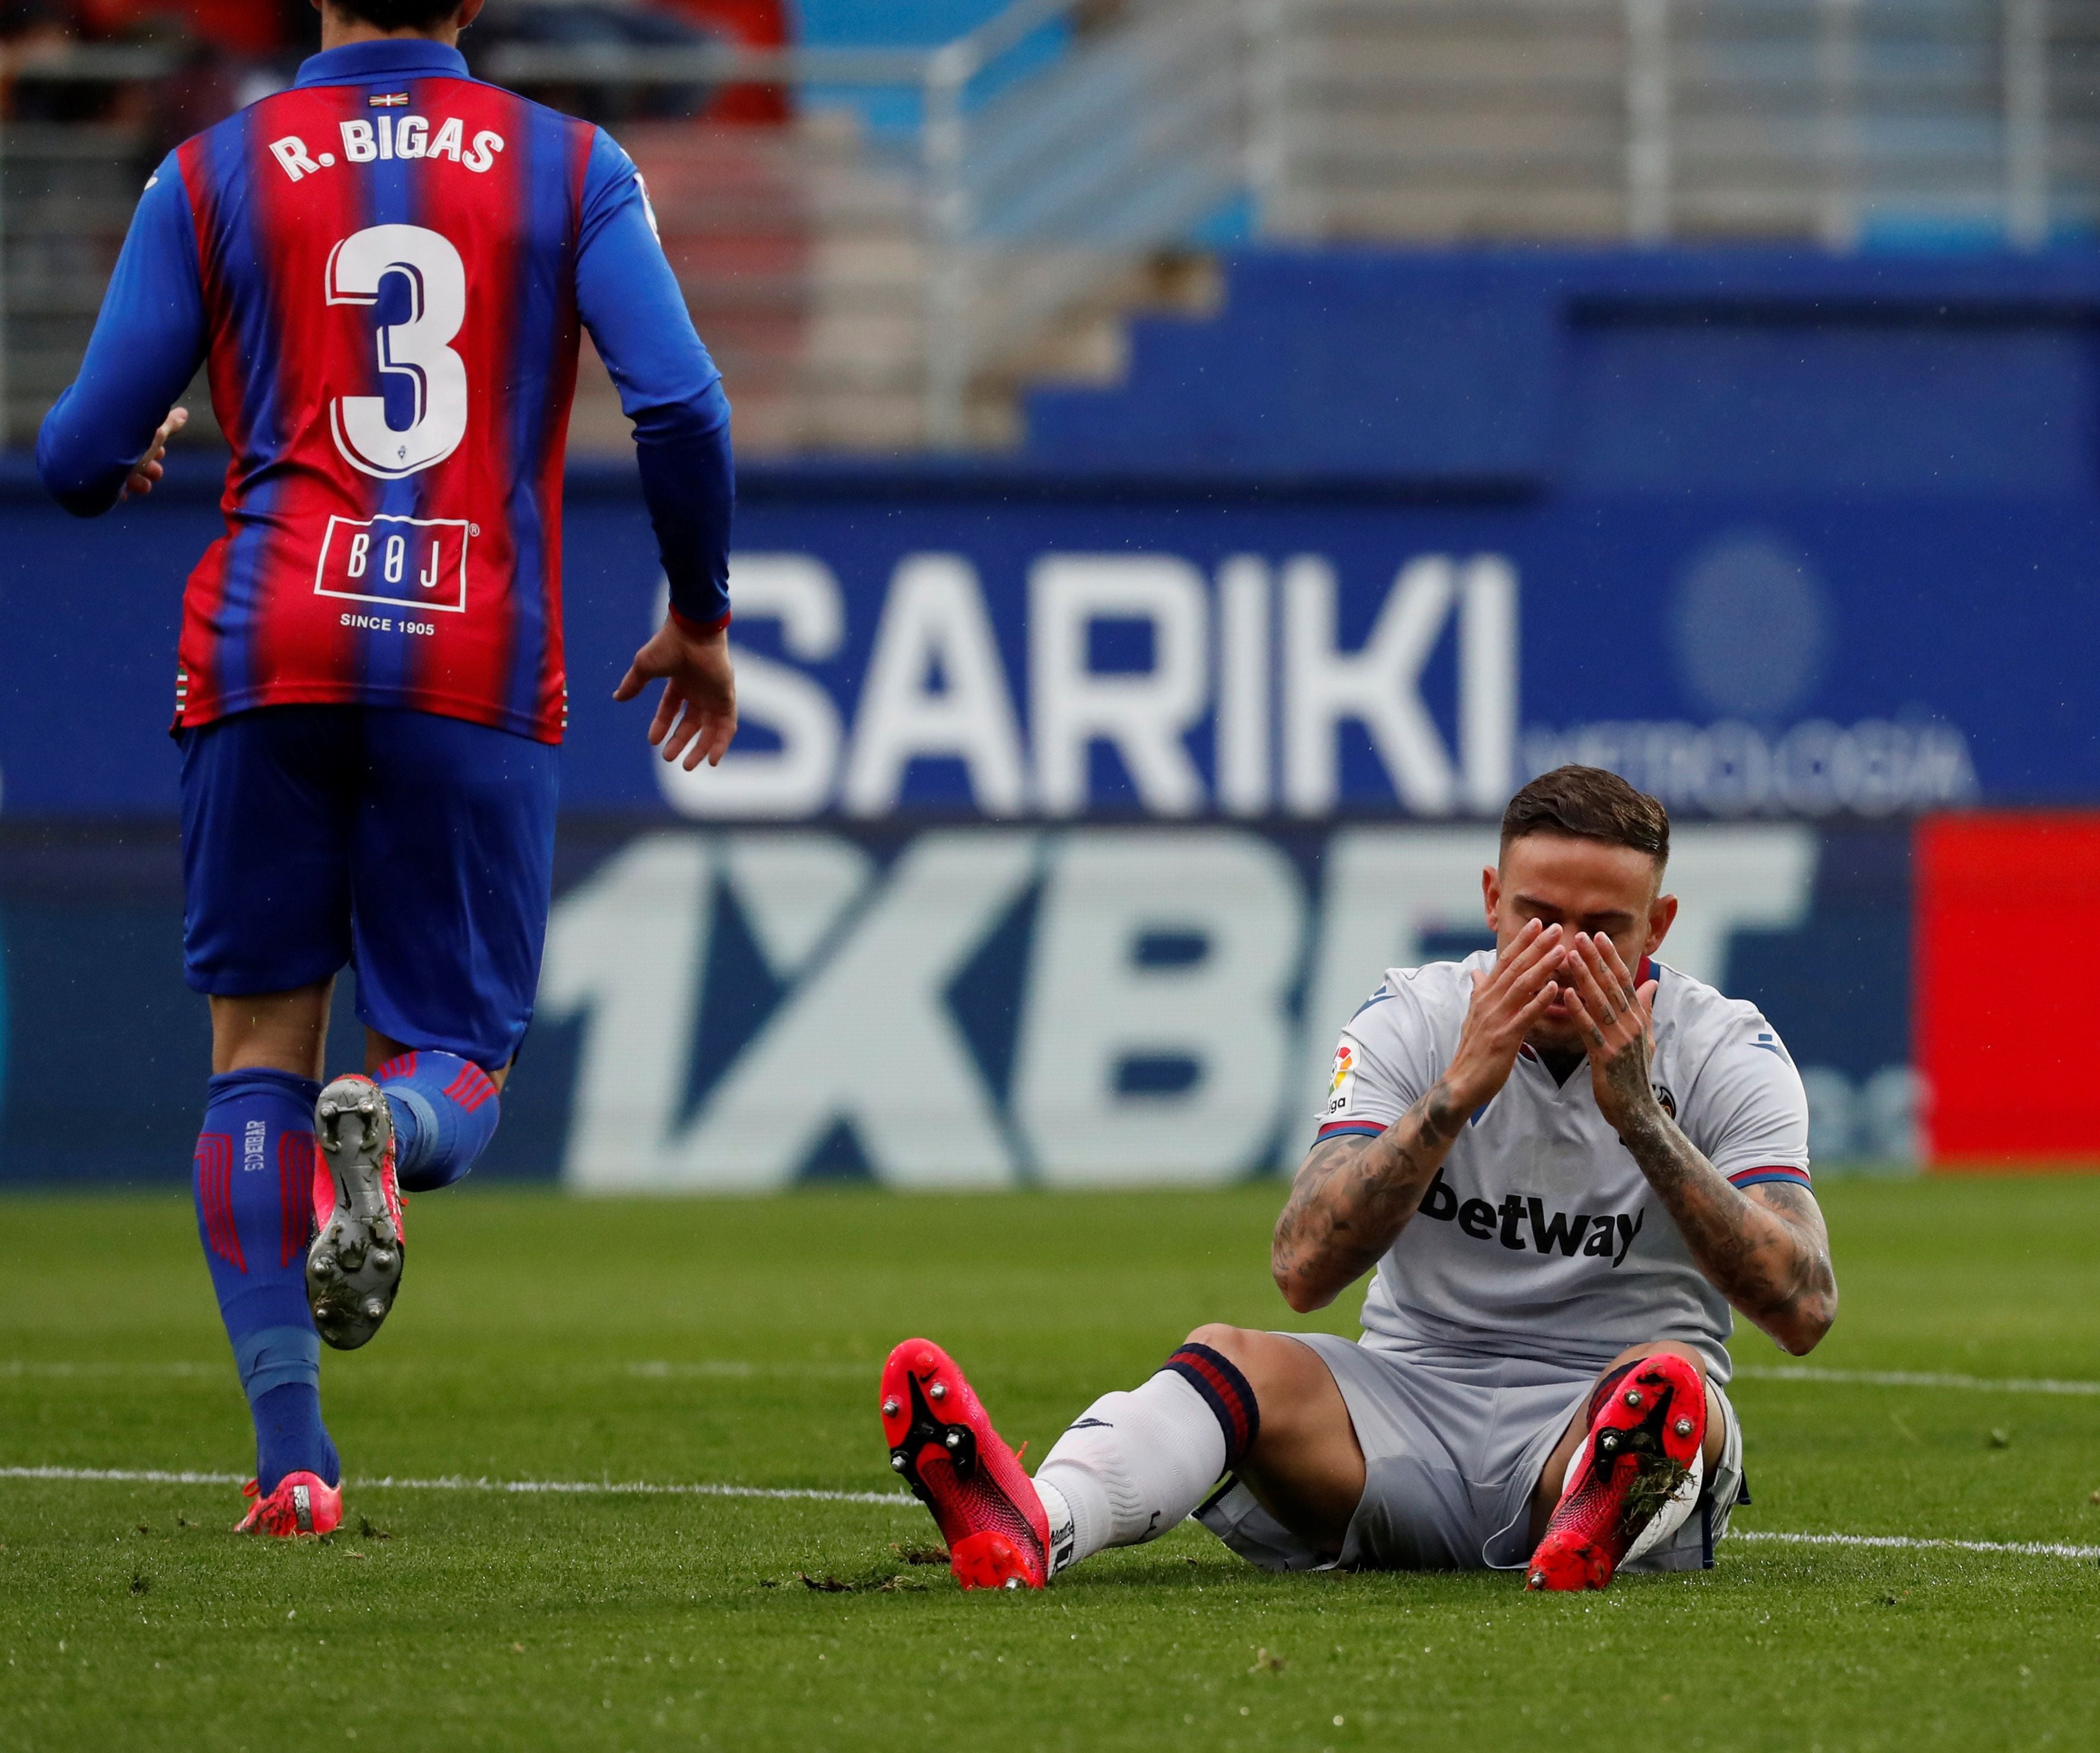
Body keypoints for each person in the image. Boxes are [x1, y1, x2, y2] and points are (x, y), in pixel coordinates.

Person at [34, 0, 738, 1532]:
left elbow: (76, 456)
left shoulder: (211, 170)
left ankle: (295, 1459)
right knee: (455, 1058)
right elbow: (682, 399)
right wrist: (697, 613)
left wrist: (141, 438)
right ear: (473, 0)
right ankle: (397, 1131)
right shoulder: (570, 164)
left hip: (266, 643)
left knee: (254, 1055)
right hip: (468, 649)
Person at [881, 766, 1837, 1589]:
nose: (1558, 957)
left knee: (1669, 1389)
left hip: (1604, 1410)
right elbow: (1303, 1269)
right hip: (1406, 1408)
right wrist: (1457, 1092)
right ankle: (1033, 1525)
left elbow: (1803, 1306)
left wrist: (1643, 1123)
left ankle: (1592, 1522)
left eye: (1602, 930)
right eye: (1537, 918)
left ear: (1658, 928)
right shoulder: (1413, 1018)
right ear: (1491, 900)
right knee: (1230, 1354)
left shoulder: (1726, 1048)